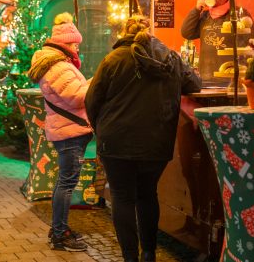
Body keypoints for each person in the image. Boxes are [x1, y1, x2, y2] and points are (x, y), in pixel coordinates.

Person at [85, 15, 201, 262]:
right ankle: (149, 253)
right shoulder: (170, 58)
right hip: (156, 142)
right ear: (151, 33)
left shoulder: (112, 60)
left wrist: (101, 128)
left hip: (116, 142)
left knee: (123, 196)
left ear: (125, 32)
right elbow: (195, 84)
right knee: (147, 194)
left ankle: (130, 257)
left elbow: (92, 101)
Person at [27, 12, 91, 252]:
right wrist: (95, 83)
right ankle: (59, 234)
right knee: (67, 182)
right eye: (74, 43)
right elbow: (76, 97)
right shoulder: (59, 66)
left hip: (67, 130)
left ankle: (59, 230)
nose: (77, 47)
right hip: (70, 132)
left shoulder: (56, 64)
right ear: (66, 43)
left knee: (65, 181)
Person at [180, 0, 254, 87]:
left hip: (231, 79)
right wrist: (196, 10)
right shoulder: (205, 16)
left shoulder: (236, 14)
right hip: (206, 78)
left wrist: (251, 68)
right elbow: (186, 33)